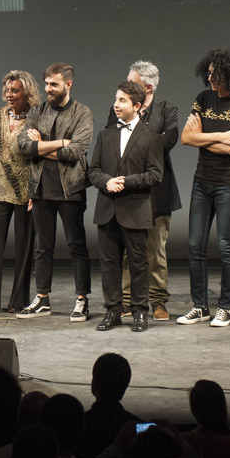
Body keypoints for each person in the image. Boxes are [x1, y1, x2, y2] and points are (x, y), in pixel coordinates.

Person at [179, 49, 230, 327]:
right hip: (202, 181)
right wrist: (222, 134)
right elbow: (186, 137)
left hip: (229, 185)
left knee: (226, 246)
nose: (210, 78)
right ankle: (200, 307)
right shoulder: (203, 98)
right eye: (208, 72)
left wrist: (204, 138)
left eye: (216, 74)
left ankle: (225, 307)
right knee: (194, 246)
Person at [16, 62, 94, 322]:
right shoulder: (37, 111)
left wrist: (41, 145)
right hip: (40, 188)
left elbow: (75, 152)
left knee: (76, 245)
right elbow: (24, 146)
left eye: (54, 84)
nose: (48, 89)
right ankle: (42, 298)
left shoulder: (82, 113)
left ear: (68, 84)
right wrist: (59, 142)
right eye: (46, 84)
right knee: (43, 247)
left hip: (70, 189)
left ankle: (82, 299)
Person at [89, 80, 164, 332]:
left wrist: (127, 182)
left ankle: (140, 312)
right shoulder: (105, 134)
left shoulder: (151, 138)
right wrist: (107, 182)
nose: (116, 105)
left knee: (138, 263)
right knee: (109, 263)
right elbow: (93, 171)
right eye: (116, 99)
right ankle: (113, 310)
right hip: (108, 209)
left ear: (137, 105)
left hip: (135, 209)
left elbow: (155, 175)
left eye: (122, 100)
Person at [117, 61, 182, 321]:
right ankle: (126, 301)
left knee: (156, 250)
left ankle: (158, 301)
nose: (126, 86)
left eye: (132, 82)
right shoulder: (121, 107)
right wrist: (151, 141)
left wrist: (139, 144)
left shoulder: (167, 109)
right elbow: (115, 138)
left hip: (158, 190)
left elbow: (170, 139)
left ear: (148, 87)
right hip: (129, 188)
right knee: (127, 250)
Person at [0, 70, 40, 314]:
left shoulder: (36, 117)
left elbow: (38, 157)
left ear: (27, 93)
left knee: (24, 245)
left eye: (15, 91)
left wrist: (36, 190)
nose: (10, 95)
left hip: (26, 189)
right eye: (8, 90)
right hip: (0, 187)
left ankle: (18, 300)